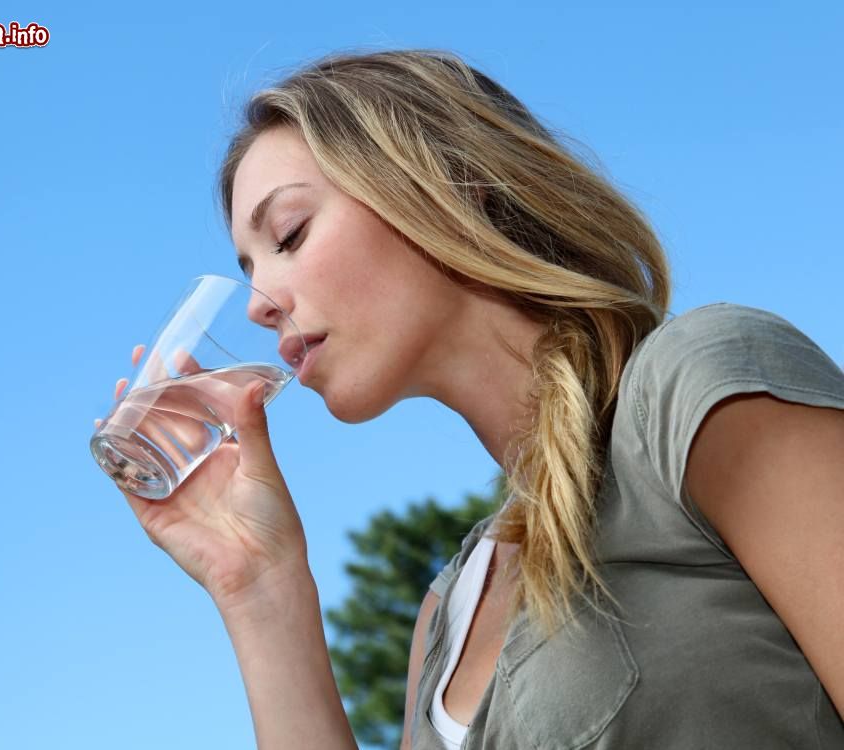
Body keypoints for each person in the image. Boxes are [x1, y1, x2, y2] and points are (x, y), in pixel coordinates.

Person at [108, 49, 844, 748]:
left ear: (447, 186)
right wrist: (259, 587)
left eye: (290, 234)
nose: (256, 307)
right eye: (250, 265)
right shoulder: (446, 613)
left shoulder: (697, 390)